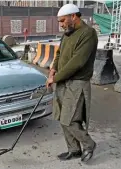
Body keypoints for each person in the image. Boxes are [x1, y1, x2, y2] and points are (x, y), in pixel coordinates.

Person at [46, 4, 98, 163]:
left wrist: (54, 79)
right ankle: (74, 150)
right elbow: (59, 53)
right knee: (62, 117)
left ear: (74, 16)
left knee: (69, 119)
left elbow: (77, 63)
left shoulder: (88, 33)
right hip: (63, 81)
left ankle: (89, 144)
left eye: (62, 21)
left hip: (77, 83)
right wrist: (53, 69)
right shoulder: (67, 33)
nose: (61, 24)